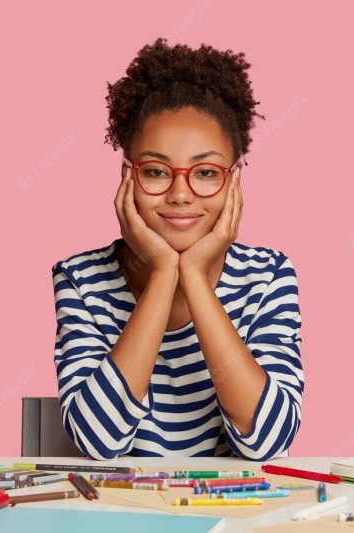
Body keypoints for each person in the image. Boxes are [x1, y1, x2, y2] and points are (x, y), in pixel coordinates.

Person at [51, 38, 303, 460]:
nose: (180, 194)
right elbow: (99, 442)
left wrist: (195, 279)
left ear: (235, 180)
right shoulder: (81, 279)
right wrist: (165, 272)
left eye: (205, 172)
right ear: (127, 177)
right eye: (155, 171)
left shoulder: (269, 275)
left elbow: (266, 441)